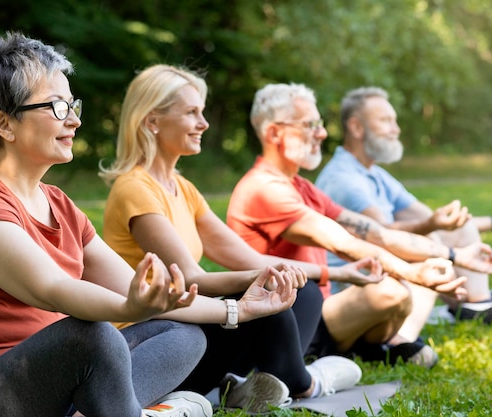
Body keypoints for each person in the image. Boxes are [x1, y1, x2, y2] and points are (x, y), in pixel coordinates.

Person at [0, 33, 300, 417]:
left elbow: (140, 286)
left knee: (181, 334)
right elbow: (51, 289)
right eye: (56, 107)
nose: (74, 119)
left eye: (72, 105)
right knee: (92, 335)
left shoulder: (59, 205)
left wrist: (237, 311)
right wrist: (129, 305)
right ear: (4, 124)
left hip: (55, 390)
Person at [99, 64, 366, 414]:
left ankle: (249, 385)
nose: (204, 123)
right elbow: (192, 279)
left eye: (203, 112)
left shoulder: (184, 189)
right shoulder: (134, 188)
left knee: (306, 294)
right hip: (154, 344)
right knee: (266, 305)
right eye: (192, 113)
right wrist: (260, 282)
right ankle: (304, 383)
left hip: (187, 326)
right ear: (152, 122)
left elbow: (247, 259)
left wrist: (338, 272)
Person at [225, 83, 492, 369]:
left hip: (320, 306)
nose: (322, 133)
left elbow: (378, 233)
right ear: (274, 132)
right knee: (392, 290)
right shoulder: (265, 189)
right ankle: (355, 350)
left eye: (320, 124)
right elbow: (346, 244)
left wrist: (454, 255)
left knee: (397, 289)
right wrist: (414, 271)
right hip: (289, 316)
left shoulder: (305, 188)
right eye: (309, 124)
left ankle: (366, 348)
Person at [315, 86, 492, 324]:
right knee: (428, 253)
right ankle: (406, 337)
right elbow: (384, 236)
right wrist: (432, 230)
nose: (395, 129)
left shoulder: (375, 174)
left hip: (382, 261)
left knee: (461, 228)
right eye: (386, 121)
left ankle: (476, 305)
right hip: (351, 282)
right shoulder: (343, 179)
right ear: (357, 127)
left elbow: (432, 220)